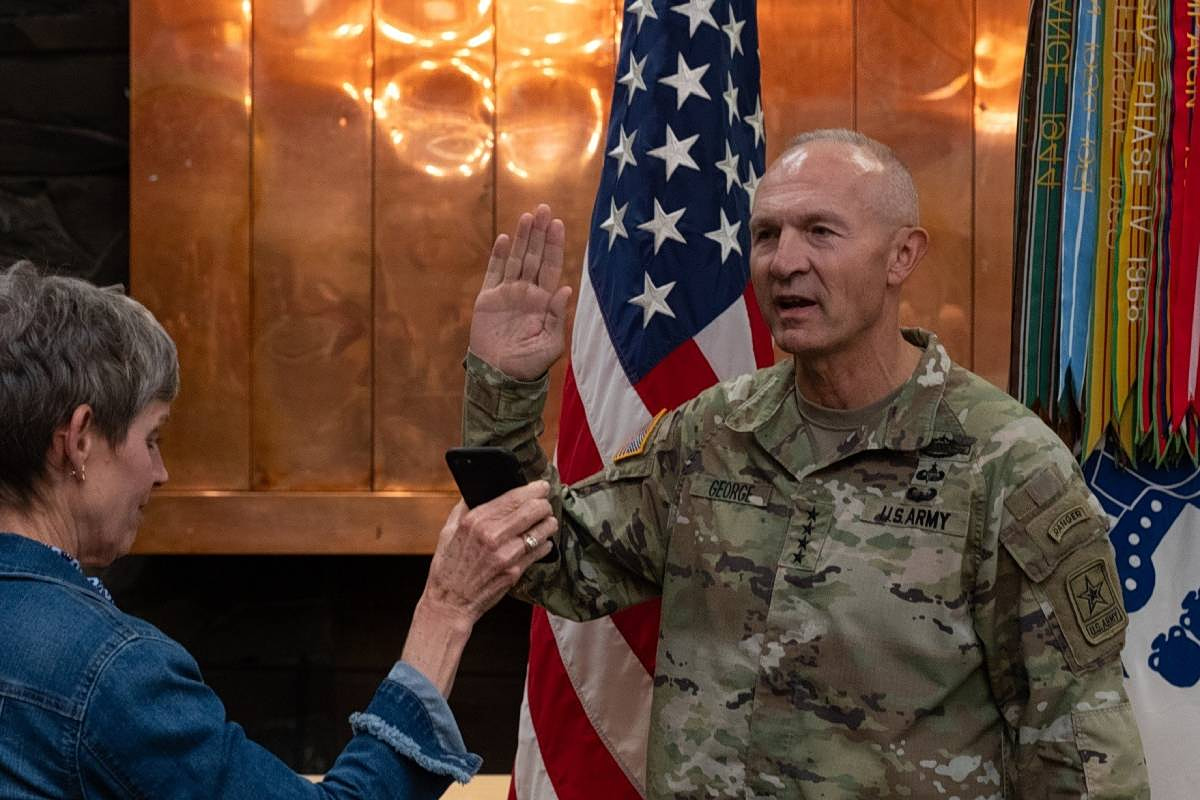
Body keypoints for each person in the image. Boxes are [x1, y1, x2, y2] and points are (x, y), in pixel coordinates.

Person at [461, 129, 1150, 798]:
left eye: (820, 231)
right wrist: (504, 389)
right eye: (767, 235)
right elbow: (552, 559)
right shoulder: (713, 432)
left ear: (902, 255)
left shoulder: (1008, 465)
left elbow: (1081, 755)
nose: (784, 261)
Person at [0, 261, 557, 798]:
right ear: (79, 439)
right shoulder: (109, 672)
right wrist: (447, 608)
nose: (160, 473)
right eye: (152, 438)